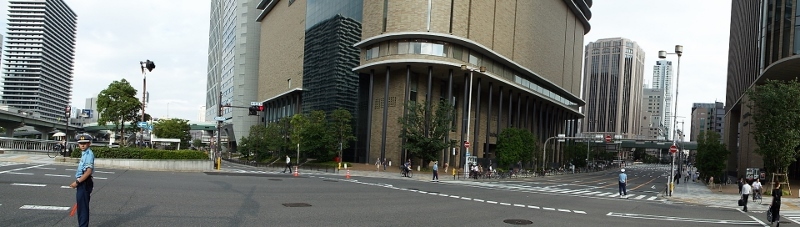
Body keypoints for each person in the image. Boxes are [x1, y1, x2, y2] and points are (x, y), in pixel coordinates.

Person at [69, 134, 95, 227]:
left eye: (85, 143)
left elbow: (88, 171)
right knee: (81, 206)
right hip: (83, 182)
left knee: (82, 208)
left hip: (84, 182)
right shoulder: (85, 153)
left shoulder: (88, 154)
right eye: (80, 143)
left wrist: (77, 182)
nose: (82, 145)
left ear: (89, 144)